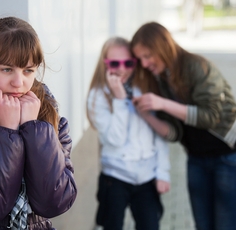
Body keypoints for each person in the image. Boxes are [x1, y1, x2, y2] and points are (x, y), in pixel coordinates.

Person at [131, 21, 236, 230]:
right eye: (140, 59)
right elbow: (174, 133)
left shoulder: (197, 66)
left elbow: (210, 116)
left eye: (147, 56)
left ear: (162, 46)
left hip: (228, 155)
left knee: (226, 226)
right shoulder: (159, 79)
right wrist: (146, 115)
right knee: (203, 225)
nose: (144, 64)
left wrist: (163, 103)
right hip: (196, 158)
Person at [0, 16, 77, 230]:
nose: (18, 82)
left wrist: (34, 129)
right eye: (6, 69)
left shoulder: (51, 120)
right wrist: (6, 131)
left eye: (28, 70)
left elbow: (56, 202)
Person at [86, 36, 170, 230]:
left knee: (150, 225)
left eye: (128, 63)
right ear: (104, 63)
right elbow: (115, 140)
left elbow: (158, 133)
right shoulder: (98, 95)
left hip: (147, 177)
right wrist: (119, 99)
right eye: (114, 63)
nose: (122, 69)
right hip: (115, 177)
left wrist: (163, 172)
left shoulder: (146, 89)